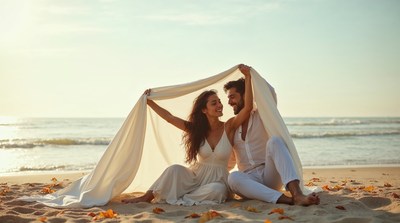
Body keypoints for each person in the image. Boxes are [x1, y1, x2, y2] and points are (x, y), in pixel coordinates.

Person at [122, 64, 253, 205]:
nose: (220, 105)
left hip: (217, 182)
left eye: (219, 102)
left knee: (217, 190)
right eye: (214, 103)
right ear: (204, 110)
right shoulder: (197, 129)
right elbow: (170, 118)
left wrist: (248, 77)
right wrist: (149, 101)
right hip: (195, 178)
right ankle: (146, 197)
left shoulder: (229, 126)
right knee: (174, 170)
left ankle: (184, 198)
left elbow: (248, 108)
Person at [224, 76, 320, 206]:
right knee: (233, 177)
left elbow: (270, 93)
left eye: (232, 96)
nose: (229, 102)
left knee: (275, 141)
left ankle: (297, 194)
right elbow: (229, 162)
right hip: (249, 181)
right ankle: (288, 200)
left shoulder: (262, 115)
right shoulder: (232, 126)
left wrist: (249, 76)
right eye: (228, 98)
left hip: (269, 175)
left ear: (245, 95)